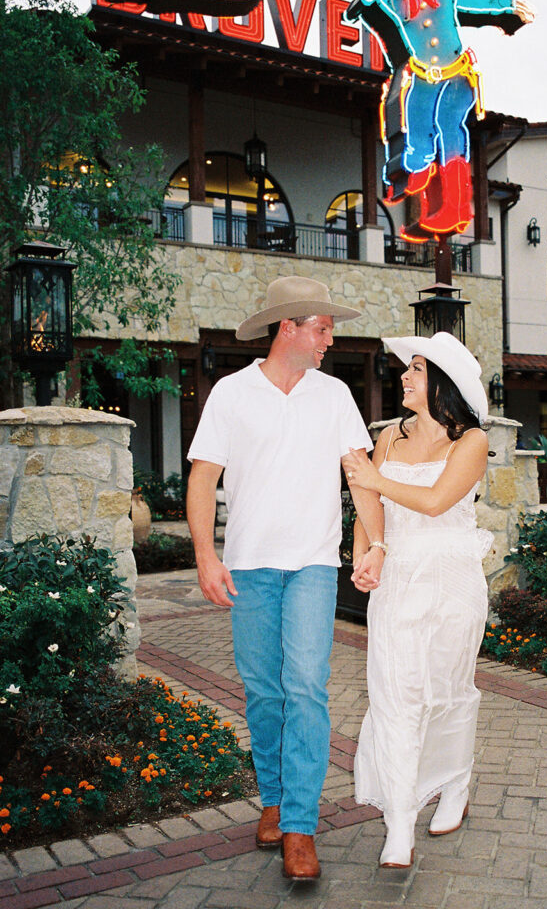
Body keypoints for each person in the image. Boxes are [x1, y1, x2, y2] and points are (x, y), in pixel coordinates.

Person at [186, 275, 385, 882]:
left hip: (314, 566)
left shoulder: (335, 395)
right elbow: (202, 479)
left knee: (305, 688)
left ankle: (300, 825)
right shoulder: (231, 393)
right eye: (321, 329)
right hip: (249, 565)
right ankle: (272, 799)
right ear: (288, 327)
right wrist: (205, 556)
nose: (329, 340)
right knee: (263, 692)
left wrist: (376, 544)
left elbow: (360, 475)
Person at [342, 331, 492, 868]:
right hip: (399, 578)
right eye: (407, 368)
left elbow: (433, 502)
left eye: (416, 369)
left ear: (442, 383)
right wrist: (367, 551)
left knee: (449, 691)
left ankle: (455, 786)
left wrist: (373, 479)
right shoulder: (388, 437)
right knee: (396, 695)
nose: (404, 376)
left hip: (452, 579)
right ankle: (400, 821)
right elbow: (369, 505)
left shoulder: (471, 441)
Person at [346, 0, 534, 240]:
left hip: (457, 74)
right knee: (417, 131)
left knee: (450, 129)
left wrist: (507, 5)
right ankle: (415, 177)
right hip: (421, 77)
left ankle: (454, 207)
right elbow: (366, 0)